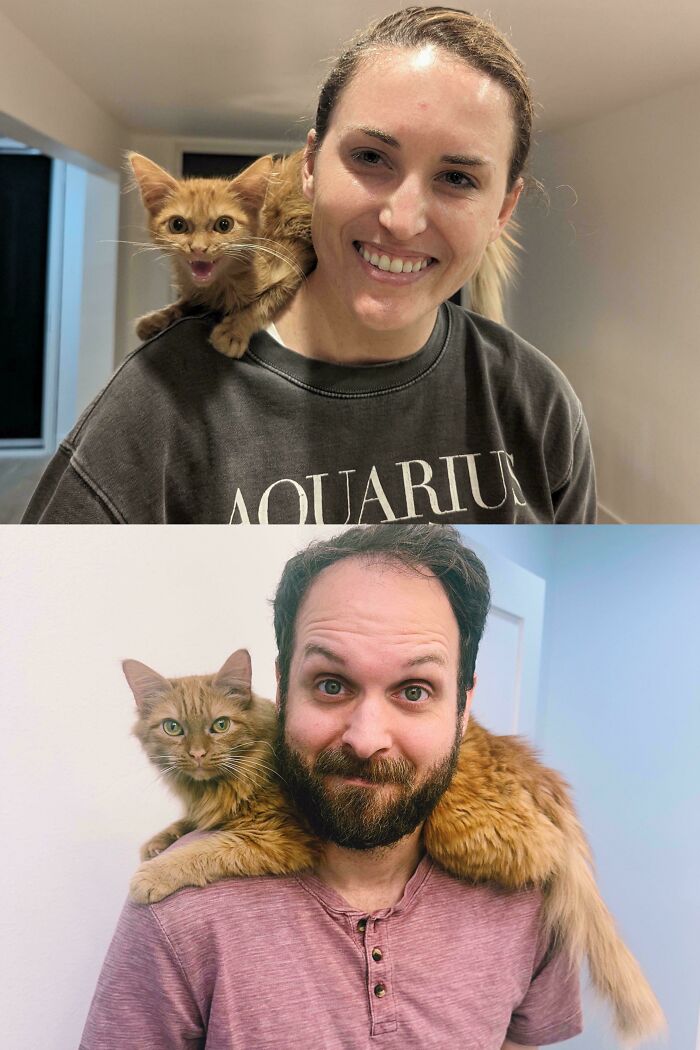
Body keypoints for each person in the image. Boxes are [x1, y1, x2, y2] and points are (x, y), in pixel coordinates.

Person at [24, 8, 596, 525]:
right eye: (370, 157)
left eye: (457, 178)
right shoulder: (158, 398)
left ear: (503, 211)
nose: (402, 221)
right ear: (310, 168)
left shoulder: (537, 401)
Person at [80, 524, 583, 1049]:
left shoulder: (529, 894)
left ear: (463, 709)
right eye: (331, 684)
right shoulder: (174, 912)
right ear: (281, 691)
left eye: (414, 690)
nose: (366, 739)